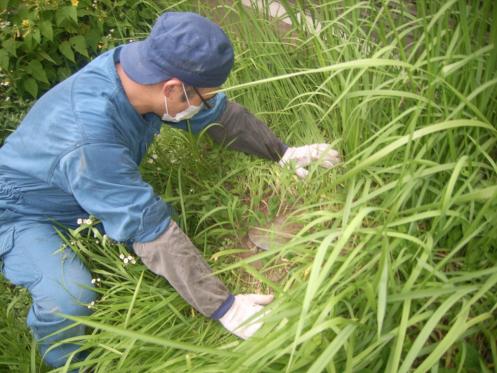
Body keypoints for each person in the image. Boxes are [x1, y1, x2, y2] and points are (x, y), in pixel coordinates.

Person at [0, 11, 340, 369]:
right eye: (203, 97)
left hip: (75, 186)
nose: (206, 104)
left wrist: (282, 152)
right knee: (70, 297)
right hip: (20, 211)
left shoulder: (139, 71)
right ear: (172, 89)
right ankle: (69, 364)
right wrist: (224, 306)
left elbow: (218, 116)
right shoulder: (90, 139)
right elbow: (148, 228)